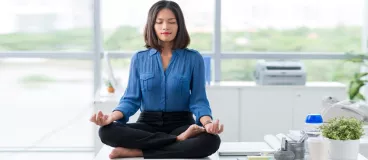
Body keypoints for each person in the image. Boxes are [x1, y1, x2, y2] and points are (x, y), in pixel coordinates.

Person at [90, 0, 224, 159]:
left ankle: (139, 151)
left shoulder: (194, 59)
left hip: (181, 123)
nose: (165, 27)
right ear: (152, 26)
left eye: (171, 22)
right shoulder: (139, 59)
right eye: (159, 22)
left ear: (179, 25)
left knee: (211, 141)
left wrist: (208, 124)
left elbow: (198, 100)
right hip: (147, 124)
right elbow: (131, 99)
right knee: (106, 132)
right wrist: (110, 118)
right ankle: (177, 141)